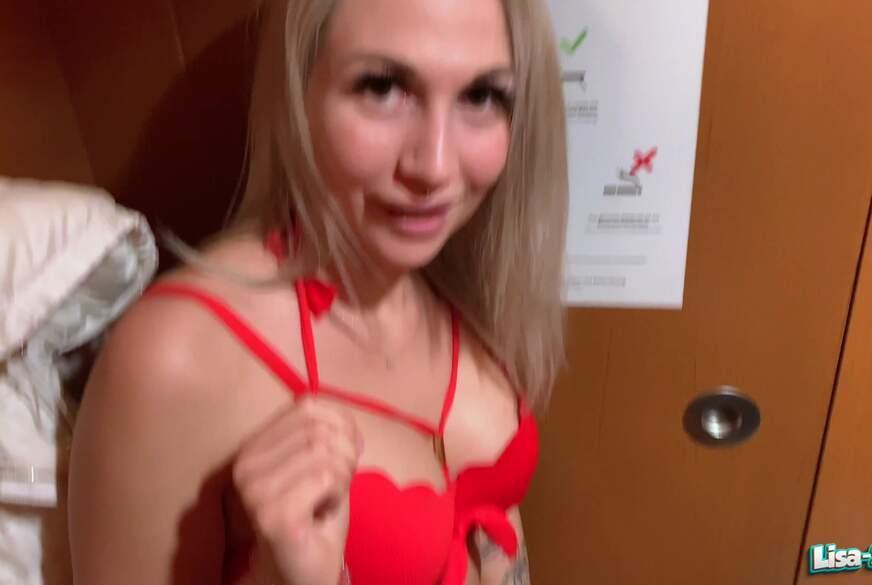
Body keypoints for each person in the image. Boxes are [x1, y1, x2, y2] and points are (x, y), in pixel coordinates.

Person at [67, 0, 567, 583]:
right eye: (382, 87)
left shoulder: (462, 294)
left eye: (481, 96)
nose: (434, 167)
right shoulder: (174, 356)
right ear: (297, 95)